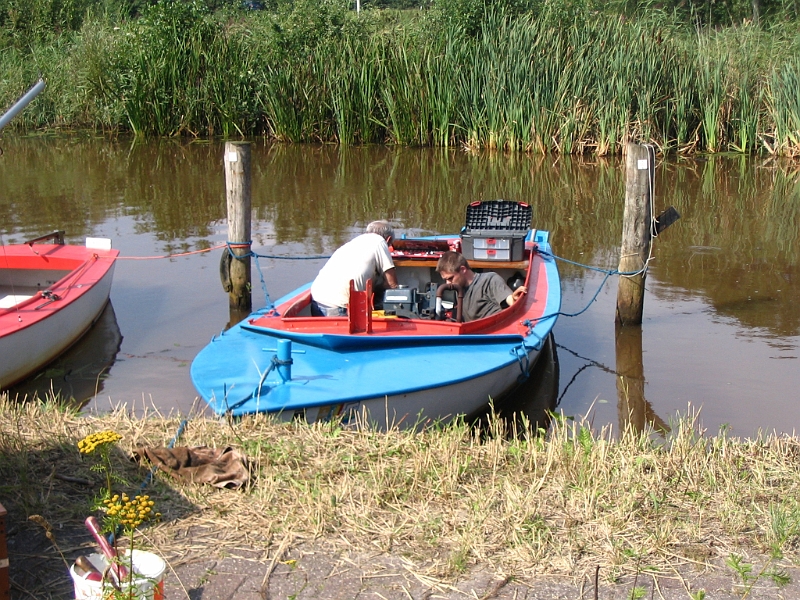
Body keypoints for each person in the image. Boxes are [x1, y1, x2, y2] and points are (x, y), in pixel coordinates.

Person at [310, 220, 399, 317]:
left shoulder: (355, 241)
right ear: (388, 239)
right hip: (340, 307)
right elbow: (392, 284)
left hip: (317, 300)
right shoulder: (380, 241)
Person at [435, 251, 527, 322]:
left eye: (450, 278)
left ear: (463, 269)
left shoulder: (490, 280)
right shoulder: (458, 288)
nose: (447, 283)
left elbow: (509, 300)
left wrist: (514, 299)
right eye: (445, 279)